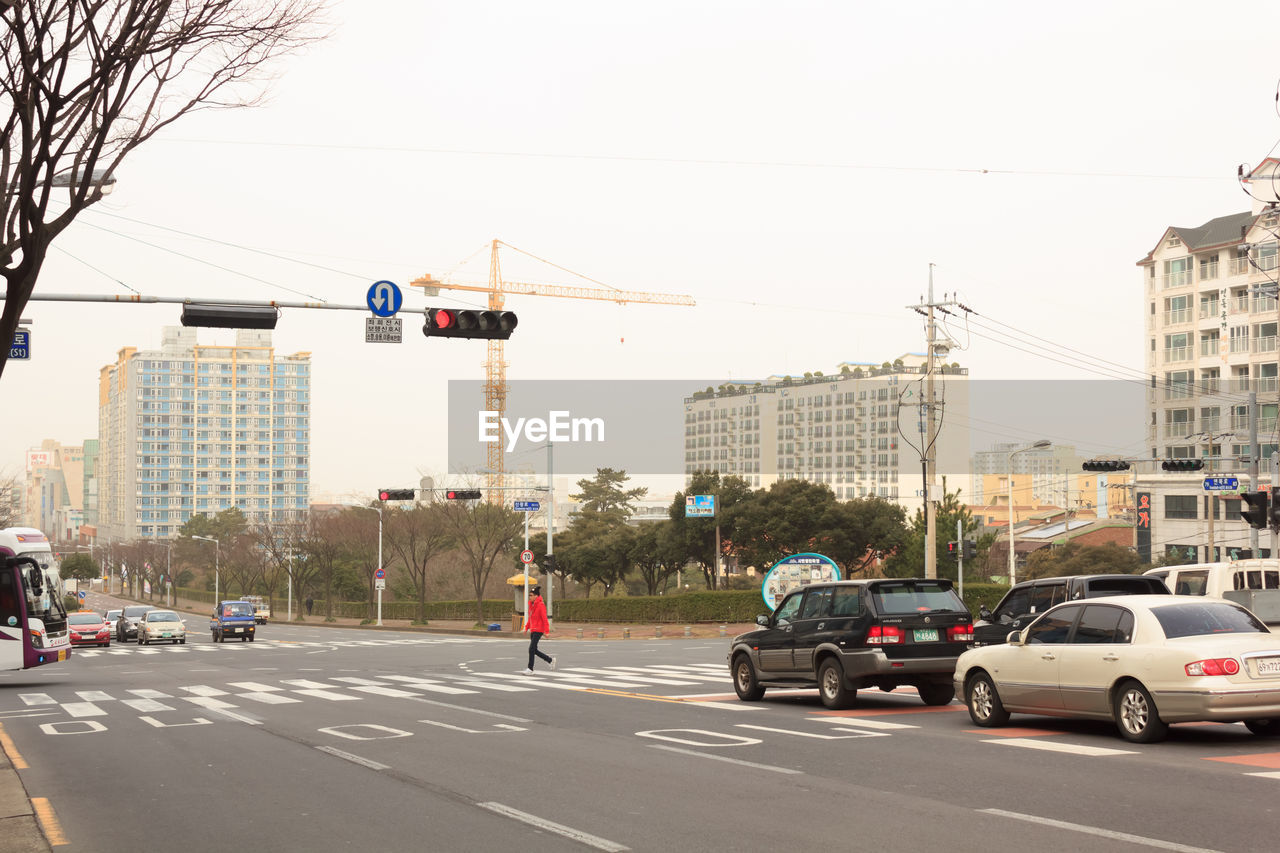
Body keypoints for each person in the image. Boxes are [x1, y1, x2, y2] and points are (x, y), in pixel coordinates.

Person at [522, 584, 555, 674]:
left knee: (531, 649)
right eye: (529, 595)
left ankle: (530, 669)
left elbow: (545, 619)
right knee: (534, 650)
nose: (529, 597)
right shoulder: (531, 605)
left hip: (539, 630)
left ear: (536, 596)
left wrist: (547, 631)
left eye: (531, 595)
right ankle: (550, 660)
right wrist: (526, 628)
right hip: (533, 629)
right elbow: (530, 618)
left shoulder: (540, 605)